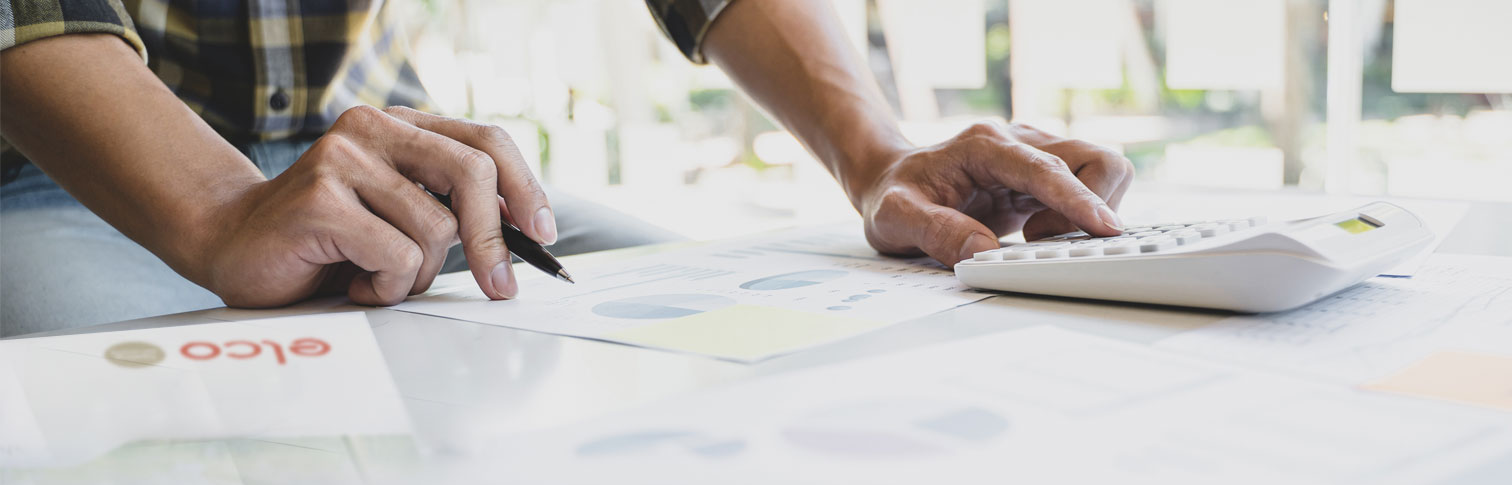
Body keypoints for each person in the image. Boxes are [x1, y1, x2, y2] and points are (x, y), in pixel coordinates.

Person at [0, 0, 1133, 337]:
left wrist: (879, 153)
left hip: (383, 158)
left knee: (739, 347)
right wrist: (213, 203)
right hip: (53, 171)